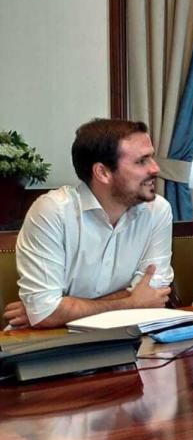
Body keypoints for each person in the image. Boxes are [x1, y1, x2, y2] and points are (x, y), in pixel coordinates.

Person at [4, 119, 172, 328]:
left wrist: (61, 309)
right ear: (102, 172)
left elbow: (154, 291)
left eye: (151, 157)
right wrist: (131, 302)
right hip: (51, 340)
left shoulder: (158, 210)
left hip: (128, 333)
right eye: (141, 161)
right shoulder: (52, 211)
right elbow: (45, 314)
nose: (155, 168)